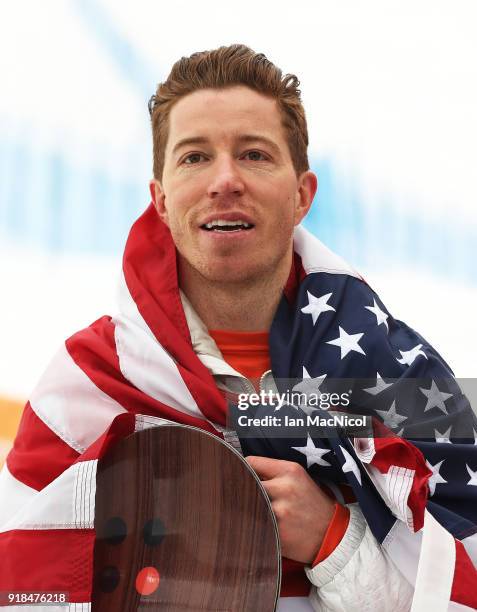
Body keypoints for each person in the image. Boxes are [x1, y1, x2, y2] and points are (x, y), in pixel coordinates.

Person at [1, 44, 476, 611]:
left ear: (303, 195)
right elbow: (24, 589)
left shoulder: (405, 381)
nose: (225, 180)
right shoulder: (89, 384)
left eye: (253, 154)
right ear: (160, 200)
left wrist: (334, 541)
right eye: (195, 157)